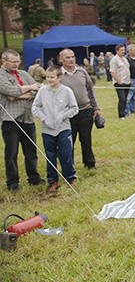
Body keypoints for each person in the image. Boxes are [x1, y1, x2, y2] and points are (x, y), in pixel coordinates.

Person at [0, 49, 44, 191]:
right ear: (4, 61)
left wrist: (21, 93)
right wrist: (28, 88)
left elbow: (37, 89)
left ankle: (34, 178)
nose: (16, 64)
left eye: (18, 61)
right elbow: (9, 91)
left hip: (28, 118)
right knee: (11, 152)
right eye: (13, 62)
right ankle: (12, 182)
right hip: (10, 120)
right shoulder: (1, 75)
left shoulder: (24, 74)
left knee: (31, 151)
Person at [32, 66, 79, 194]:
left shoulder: (67, 91)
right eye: (47, 77)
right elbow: (35, 106)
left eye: (52, 77)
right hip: (47, 129)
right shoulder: (43, 91)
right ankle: (52, 181)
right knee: (50, 155)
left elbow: (74, 108)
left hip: (63, 128)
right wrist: (43, 117)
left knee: (65, 153)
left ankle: (70, 177)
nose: (49, 79)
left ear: (59, 77)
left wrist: (62, 116)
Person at [60, 48, 102, 170]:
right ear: (61, 59)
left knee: (86, 139)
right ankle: (69, 166)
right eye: (67, 57)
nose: (71, 59)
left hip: (85, 111)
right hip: (67, 114)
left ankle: (90, 163)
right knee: (69, 142)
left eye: (72, 57)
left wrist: (96, 107)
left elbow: (90, 90)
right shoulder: (58, 74)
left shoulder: (82, 72)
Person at [109, 44, 131, 119]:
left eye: (124, 50)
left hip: (127, 82)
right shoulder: (114, 60)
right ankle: (121, 115)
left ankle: (125, 113)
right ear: (117, 51)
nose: (123, 51)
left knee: (126, 99)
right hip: (119, 83)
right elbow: (112, 72)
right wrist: (119, 81)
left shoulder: (124, 59)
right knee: (122, 99)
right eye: (121, 50)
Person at [125, 44, 135, 115]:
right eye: (134, 50)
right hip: (132, 80)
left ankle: (133, 110)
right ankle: (126, 111)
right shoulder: (127, 59)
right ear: (129, 51)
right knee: (129, 96)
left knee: (134, 96)